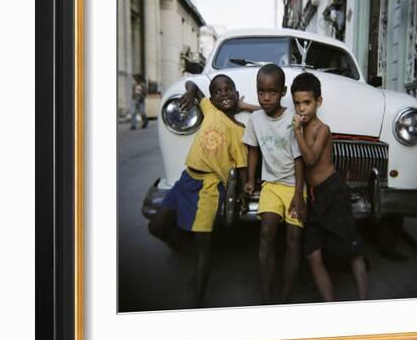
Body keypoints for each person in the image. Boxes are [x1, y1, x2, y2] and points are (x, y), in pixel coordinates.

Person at [150, 74, 257, 307]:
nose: (224, 94)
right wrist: (190, 93)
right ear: (212, 98)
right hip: (186, 180)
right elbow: (192, 84)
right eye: (217, 91)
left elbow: (241, 167)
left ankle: (197, 298)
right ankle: (187, 253)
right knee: (156, 226)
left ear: (237, 94)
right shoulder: (208, 107)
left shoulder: (238, 130)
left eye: (229, 89)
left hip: (209, 189)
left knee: (203, 247)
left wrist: (241, 191)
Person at [290, 71, 367, 301]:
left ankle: (364, 301)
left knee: (351, 249)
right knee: (312, 253)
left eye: (307, 103)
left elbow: (311, 159)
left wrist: (296, 132)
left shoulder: (322, 129)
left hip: (333, 192)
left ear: (318, 102)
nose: (301, 109)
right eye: (297, 103)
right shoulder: (301, 126)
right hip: (314, 196)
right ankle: (330, 306)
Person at [242, 64, 306, 304]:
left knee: (293, 237)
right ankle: (267, 295)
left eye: (272, 91)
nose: (266, 97)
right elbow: (253, 151)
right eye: (261, 91)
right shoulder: (255, 119)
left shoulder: (292, 120)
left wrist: (299, 196)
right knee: (266, 231)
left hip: (294, 185)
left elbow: (299, 160)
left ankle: (287, 295)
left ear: (283, 92)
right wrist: (250, 179)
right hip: (270, 185)